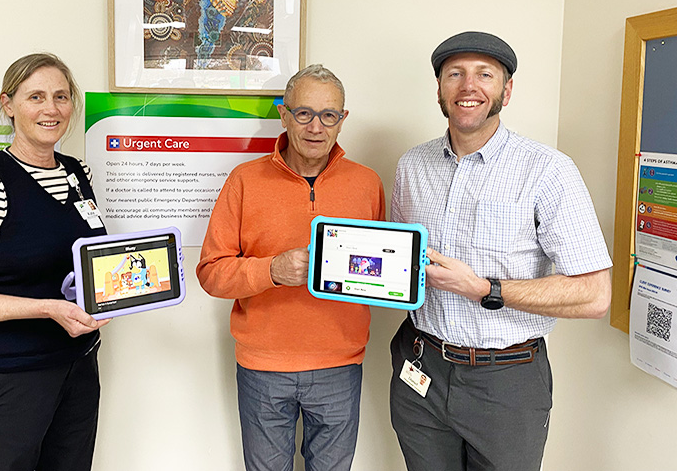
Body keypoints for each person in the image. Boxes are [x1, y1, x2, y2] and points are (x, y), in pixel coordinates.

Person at [389, 31, 613, 471]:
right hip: (420, 369)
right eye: (455, 74)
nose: (468, 86)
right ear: (439, 89)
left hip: (506, 382)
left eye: (484, 75)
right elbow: (402, 262)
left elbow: (594, 295)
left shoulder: (548, 171)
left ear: (505, 92)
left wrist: (483, 288)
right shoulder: (411, 165)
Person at [197, 64, 385, 471]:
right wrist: (271, 271)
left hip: (340, 364)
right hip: (263, 366)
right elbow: (211, 272)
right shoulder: (244, 181)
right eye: (304, 113)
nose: (316, 127)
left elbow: (379, 269)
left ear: (342, 120)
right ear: (284, 114)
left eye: (329, 115)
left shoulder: (367, 184)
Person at [0, 53, 110, 471]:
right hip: (9, 378)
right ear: (8, 105)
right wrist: (47, 308)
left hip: (78, 365)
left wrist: (118, 293)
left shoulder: (77, 172)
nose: (52, 109)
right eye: (36, 97)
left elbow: (84, 263)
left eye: (61, 97)